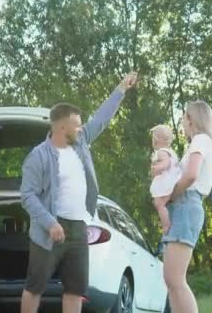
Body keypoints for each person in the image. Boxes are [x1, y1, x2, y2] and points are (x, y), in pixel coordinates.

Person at [20, 72, 138, 313]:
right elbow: (27, 196)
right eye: (76, 123)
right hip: (48, 229)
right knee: (35, 287)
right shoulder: (39, 156)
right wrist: (50, 223)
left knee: (75, 289)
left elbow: (101, 120)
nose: (81, 126)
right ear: (63, 126)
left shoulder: (81, 141)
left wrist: (120, 90)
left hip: (78, 229)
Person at [152, 100, 212, 313]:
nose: (182, 122)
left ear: (192, 119)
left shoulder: (201, 140)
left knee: (175, 279)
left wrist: (171, 195)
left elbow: (191, 174)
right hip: (183, 206)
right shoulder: (199, 143)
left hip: (186, 204)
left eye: (184, 117)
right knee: (171, 280)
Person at [149, 124, 181, 236]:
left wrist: (157, 167)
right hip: (173, 181)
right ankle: (165, 219)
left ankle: (166, 224)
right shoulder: (171, 152)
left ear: (157, 140)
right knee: (162, 204)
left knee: (159, 203)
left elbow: (166, 164)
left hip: (167, 182)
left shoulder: (161, 152)